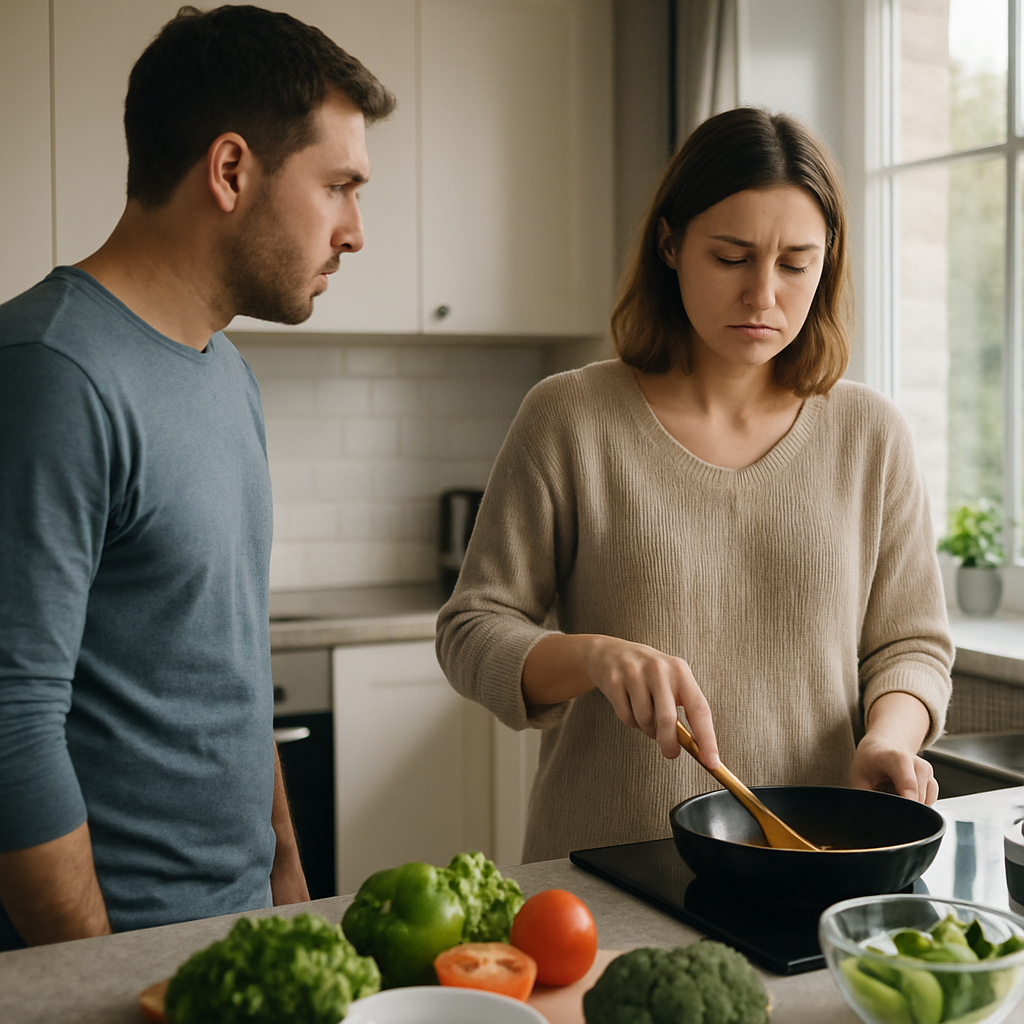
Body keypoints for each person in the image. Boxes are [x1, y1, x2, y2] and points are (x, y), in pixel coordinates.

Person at [436, 107, 953, 863]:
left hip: (809, 865)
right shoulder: (571, 415)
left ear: (827, 263)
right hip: (608, 870)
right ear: (670, 245)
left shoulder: (870, 434)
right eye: (732, 257)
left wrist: (888, 736)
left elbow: (910, 643)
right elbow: (471, 629)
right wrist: (592, 658)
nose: (762, 296)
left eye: (794, 263)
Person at [0, 5, 395, 950]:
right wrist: (95, 975)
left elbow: (233, 664)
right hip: (122, 957)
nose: (356, 231)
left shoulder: (226, 373)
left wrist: (285, 874)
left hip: (234, 938)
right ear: (230, 171)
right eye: (339, 186)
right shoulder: (53, 370)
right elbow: (12, 728)